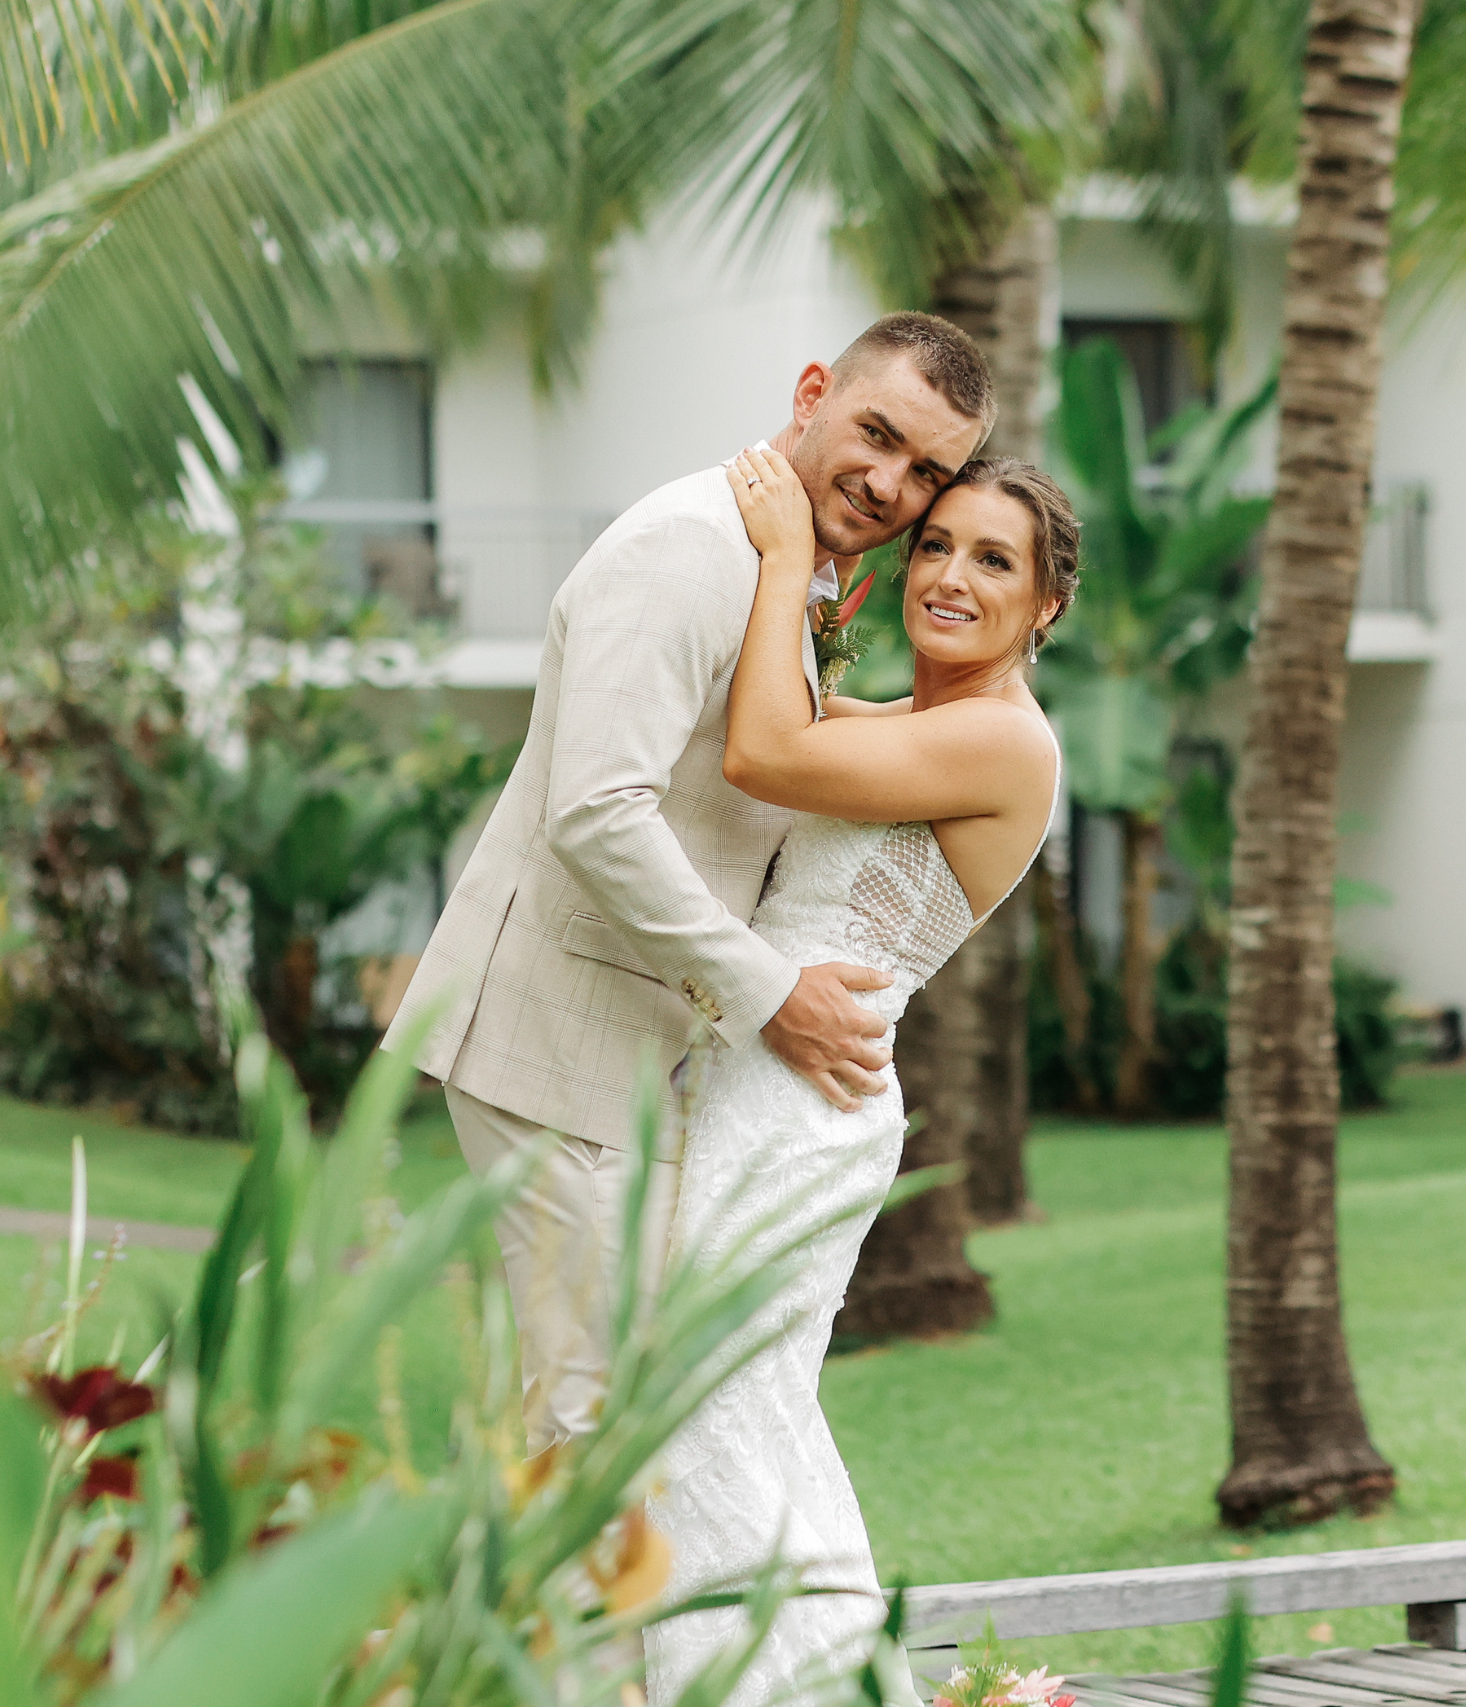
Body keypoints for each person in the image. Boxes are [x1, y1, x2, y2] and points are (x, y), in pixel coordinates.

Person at [379, 313, 996, 1457]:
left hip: (643, 1047)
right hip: (558, 1041)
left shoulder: (779, 565)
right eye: (876, 434)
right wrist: (772, 991)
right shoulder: (686, 547)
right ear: (811, 390)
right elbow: (595, 813)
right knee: (588, 1418)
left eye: (927, 472)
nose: (889, 485)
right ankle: (545, 1639)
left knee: (625, 1415)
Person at [643, 448, 1079, 1706]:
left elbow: (765, 755)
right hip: (751, 1074)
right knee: (731, 1417)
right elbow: (768, 717)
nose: (948, 574)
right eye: (935, 544)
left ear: (1044, 606)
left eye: (993, 560)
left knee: (708, 1411)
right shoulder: (917, 722)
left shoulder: (1003, 745)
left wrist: (789, 556)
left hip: (797, 1107)